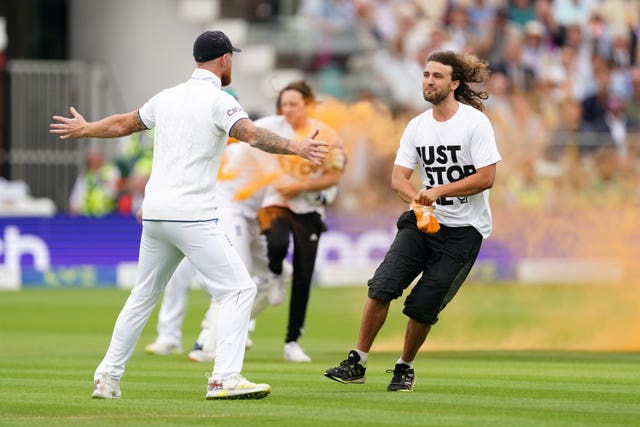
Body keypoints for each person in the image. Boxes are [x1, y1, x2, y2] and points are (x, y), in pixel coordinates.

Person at [49, 30, 328, 400]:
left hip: (155, 214)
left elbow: (121, 124)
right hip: (191, 214)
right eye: (233, 58)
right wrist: (296, 146)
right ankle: (224, 378)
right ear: (225, 59)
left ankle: (107, 377)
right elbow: (252, 136)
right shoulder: (220, 100)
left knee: (142, 296)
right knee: (241, 288)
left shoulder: (168, 97)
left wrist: (86, 129)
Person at [324, 50, 501, 392]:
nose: (429, 81)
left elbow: (487, 176)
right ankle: (357, 361)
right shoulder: (416, 126)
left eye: (437, 76)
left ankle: (404, 367)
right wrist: (417, 200)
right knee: (382, 286)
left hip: (464, 231)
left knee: (423, 306)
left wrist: (437, 191)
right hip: (422, 223)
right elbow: (398, 178)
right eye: (426, 75)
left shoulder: (475, 123)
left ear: (455, 83)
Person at [255, 80, 346, 362]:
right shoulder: (275, 126)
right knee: (277, 241)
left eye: (294, 104)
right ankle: (275, 274)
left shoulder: (327, 134)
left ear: (307, 104)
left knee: (305, 276)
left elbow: (335, 175)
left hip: (308, 208)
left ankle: (292, 341)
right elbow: (249, 138)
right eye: (284, 104)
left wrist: (302, 186)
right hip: (276, 201)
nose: (288, 109)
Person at [68, 143, 121, 216]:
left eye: (96, 156)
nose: (94, 160)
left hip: (109, 217)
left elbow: (114, 192)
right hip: (87, 219)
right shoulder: (84, 177)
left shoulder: (111, 171)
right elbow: (75, 202)